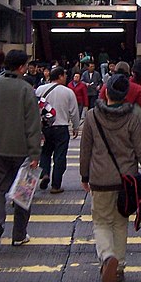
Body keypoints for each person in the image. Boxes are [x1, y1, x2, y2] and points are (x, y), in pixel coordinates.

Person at [79, 74, 141, 282]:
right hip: (126, 181)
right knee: (119, 223)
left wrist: (84, 176)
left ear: (106, 91)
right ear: (125, 95)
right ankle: (119, 267)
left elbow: (85, 150)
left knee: (100, 221)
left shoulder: (91, 117)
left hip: (99, 179)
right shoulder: (132, 118)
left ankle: (107, 256)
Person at [0, 50, 42, 249]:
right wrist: (35, 153)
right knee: (23, 193)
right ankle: (19, 235)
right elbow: (33, 125)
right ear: (21, 67)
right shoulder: (26, 89)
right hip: (21, 150)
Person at [36, 66, 80, 194]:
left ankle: (44, 173)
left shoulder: (40, 89)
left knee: (45, 152)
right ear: (60, 76)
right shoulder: (68, 92)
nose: (66, 78)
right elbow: (74, 111)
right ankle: (56, 185)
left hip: (45, 127)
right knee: (60, 156)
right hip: (61, 127)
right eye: (65, 75)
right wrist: (76, 126)